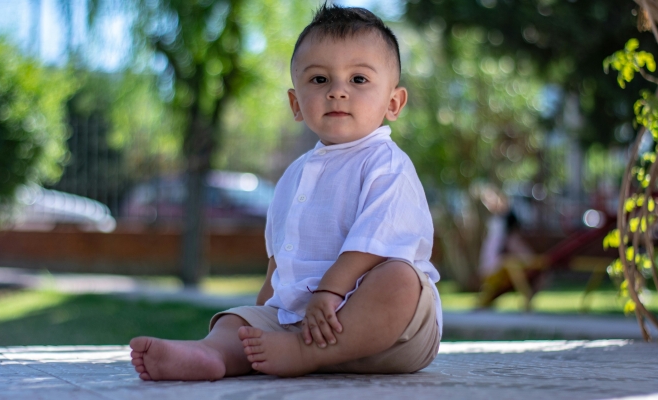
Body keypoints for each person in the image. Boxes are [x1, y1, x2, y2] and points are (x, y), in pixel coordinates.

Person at [129, 3, 442, 381]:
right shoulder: (294, 177)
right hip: (307, 319)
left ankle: (305, 353)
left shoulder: (385, 164)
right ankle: (211, 354)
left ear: (393, 102)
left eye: (358, 80)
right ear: (296, 104)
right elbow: (281, 259)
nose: (337, 92)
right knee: (236, 320)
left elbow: (374, 243)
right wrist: (263, 314)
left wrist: (330, 292)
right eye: (319, 80)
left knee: (400, 280)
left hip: (391, 332)